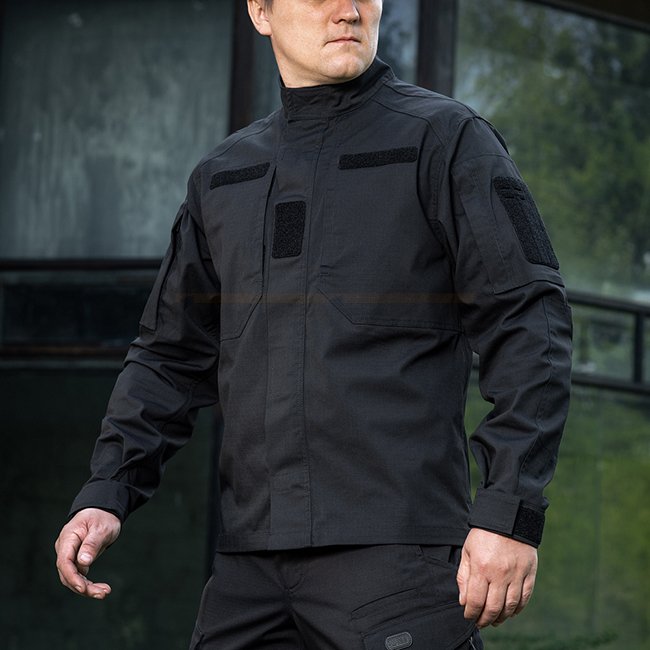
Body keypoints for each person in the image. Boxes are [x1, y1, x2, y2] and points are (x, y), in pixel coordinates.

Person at [55, 1, 573, 648]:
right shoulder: (223, 177)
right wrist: (108, 489)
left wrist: (508, 511)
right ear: (261, 11)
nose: (347, 9)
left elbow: (530, 322)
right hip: (248, 570)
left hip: (399, 563)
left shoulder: (445, 141)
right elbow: (168, 356)